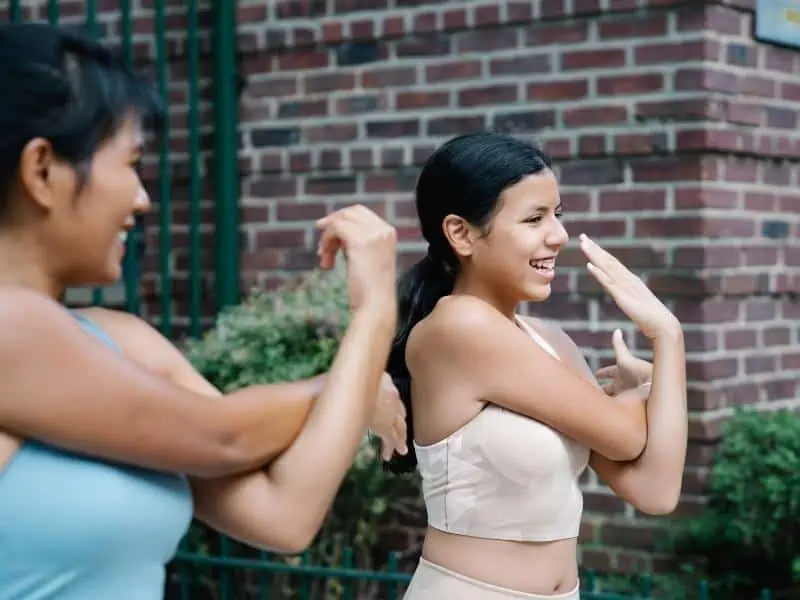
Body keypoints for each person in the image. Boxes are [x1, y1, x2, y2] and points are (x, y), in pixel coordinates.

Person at [0, 22, 407, 600]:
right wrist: (352, 377)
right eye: (131, 162)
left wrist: (370, 322)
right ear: (42, 170)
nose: (142, 198)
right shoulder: (10, 327)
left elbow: (282, 516)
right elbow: (223, 439)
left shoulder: (122, 340)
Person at [386, 132, 688, 599]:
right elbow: (626, 434)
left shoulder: (549, 341)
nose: (559, 235)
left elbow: (655, 489)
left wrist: (669, 339)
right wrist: (647, 391)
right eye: (534, 218)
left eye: (557, 214)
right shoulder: (459, 327)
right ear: (461, 233)